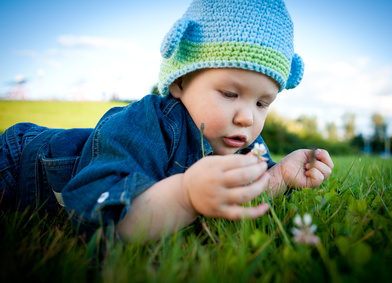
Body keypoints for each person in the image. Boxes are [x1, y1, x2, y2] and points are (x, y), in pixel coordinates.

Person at [0, 0, 334, 242]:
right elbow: (105, 222)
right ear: (181, 82)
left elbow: (244, 195)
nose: (246, 117)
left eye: (263, 103)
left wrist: (280, 176)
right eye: (229, 94)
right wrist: (185, 196)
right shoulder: (141, 125)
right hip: (17, 163)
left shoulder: (241, 142)